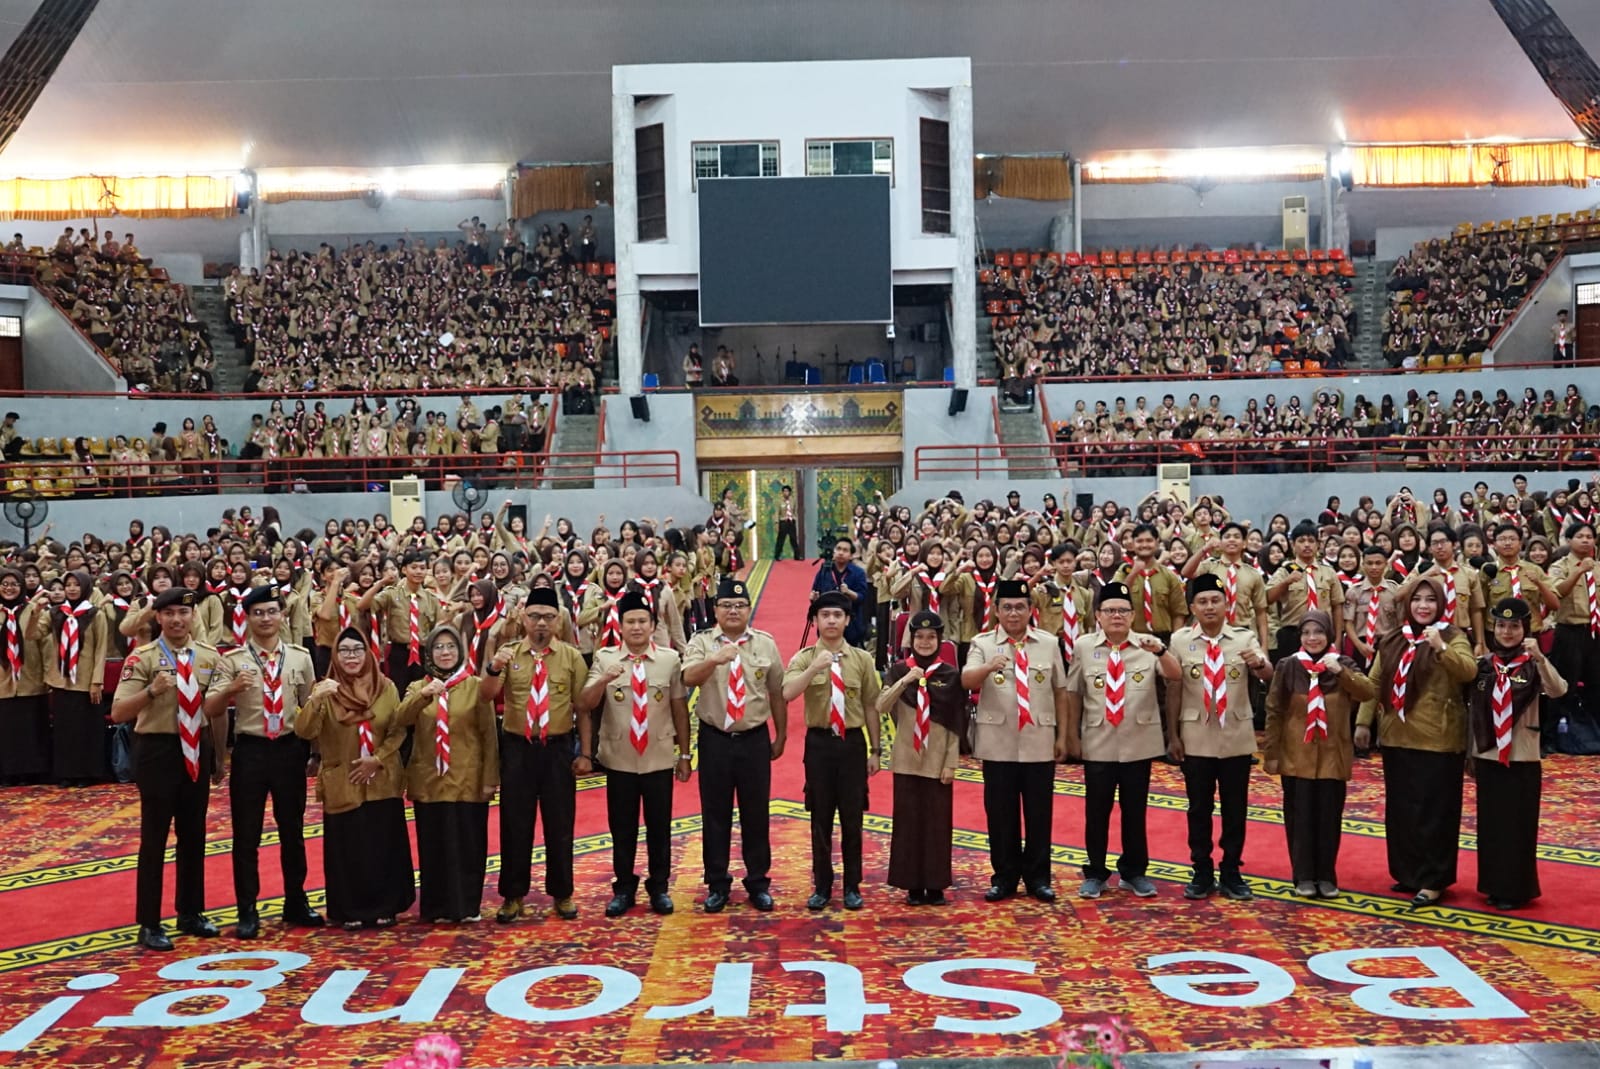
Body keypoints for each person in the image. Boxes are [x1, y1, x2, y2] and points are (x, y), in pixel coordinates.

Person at [110, 588, 228, 952]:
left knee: (194, 836)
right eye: (169, 613)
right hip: (158, 750)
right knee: (155, 839)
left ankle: (191, 912)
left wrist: (219, 758)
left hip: (197, 748)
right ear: (157, 618)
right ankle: (148, 922)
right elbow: (118, 713)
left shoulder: (209, 656)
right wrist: (150, 691)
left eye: (184, 612)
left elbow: (217, 712)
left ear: (193, 616)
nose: (177, 619)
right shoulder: (142, 658)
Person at [205, 584, 322, 938]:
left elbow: (312, 707)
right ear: (247, 617)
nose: (266, 618)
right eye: (258, 612)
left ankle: (295, 901)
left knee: (293, 831)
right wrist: (230, 689)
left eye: (272, 611)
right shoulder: (233, 660)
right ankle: (247, 910)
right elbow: (211, 708)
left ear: (282, 615)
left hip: (289, 749)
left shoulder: (301, 657)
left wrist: (315, 751)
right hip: (251, 752)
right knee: (246, 835)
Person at [1355, 576, 1477, 908]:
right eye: (1417, 600)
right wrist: (1364, 721)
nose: (1423, 606)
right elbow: (1375, 681)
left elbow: (1468, 672)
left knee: (1435, 813)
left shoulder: (1454, 637)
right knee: (1402, 810)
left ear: (1442, 604)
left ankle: (1433, 879)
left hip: (1438, 740)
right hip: (1397, 737)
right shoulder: (1393, 638)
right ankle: (1408, 872)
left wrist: (1440, 648)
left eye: (1430, 600)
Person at [293, 628, 414, 929]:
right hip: (343, 780)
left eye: (357, 650)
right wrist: (315, 700)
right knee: (348, 848)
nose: (351, 656)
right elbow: (305, 732)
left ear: (368, 653)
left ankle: (388, 906)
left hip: (381, 777)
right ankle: (350, 910)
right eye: (344, 650)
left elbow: (398, 728)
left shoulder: (385, 687)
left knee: (383, 844)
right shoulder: (325, 689)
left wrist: (378, 759)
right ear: (335, 654)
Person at [1065, 581, 1180, 898]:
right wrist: (1070, 735)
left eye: (1123, 610)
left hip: (1138, 741)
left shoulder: (1148, 645)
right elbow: (1073, 692)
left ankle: (1134, 871)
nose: (1116, 616)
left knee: (1135, 810)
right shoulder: (1084, 646)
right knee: (1096, 811)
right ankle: (1096, 873)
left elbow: (1174, 675)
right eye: (1110, 610)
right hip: (1098, 740)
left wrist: (1162, 650)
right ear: (1098, 615)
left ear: (1132, 615)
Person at [579, 592, 691, 917]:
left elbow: (679, 709)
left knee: (660, 826)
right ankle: (624, 886)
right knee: (622, 827)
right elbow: (585, 705)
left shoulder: (670, 659)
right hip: (619, 758)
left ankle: (659, 887)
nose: (637, 627)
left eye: (643, 621)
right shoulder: (604, 658)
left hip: (657, 755)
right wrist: (603, 679)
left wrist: (684, 754)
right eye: (631, 621)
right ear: (621, 625)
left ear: (653, 624)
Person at [482, 588, 590, 922]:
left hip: (558, 749)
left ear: (558, 620)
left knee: (560, 824)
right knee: (515, 824)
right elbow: (486, 695)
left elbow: (583, 708)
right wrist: (493, 667)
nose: (541, 623)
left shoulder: (571, 656)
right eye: (534, 616)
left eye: (547, 616)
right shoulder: (509, 653)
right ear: (523, 618)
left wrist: (585, 753)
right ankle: (513, 895)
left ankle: (563, 892)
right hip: (517, 749)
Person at [1166, 573, 1273, 901]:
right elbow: (1173, 691)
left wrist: (1259, 665)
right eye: (1203, 601)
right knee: (1198, 807)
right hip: (1196, 735)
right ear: (1192, 608)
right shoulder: (1180, 641)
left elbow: (1268, 673)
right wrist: (1172, 735)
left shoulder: (1243, 638)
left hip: (1235, 736)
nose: (1210, 606)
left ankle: (1231, 870)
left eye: (1216, 600)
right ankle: (1201, 869)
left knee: (1235, 807)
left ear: (1227, 604)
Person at [681, 577, 786, 913]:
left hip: (754, 737)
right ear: (716, 609)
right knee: (715, 813)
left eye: (740, 605)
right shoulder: (701, 642)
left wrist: (780, 734)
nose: (733, 611)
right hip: (715, 739)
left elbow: (777, 692)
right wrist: (715, 659)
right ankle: (717, 883)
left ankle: (758, 882)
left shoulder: (765, 644)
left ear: (748, 609)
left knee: (756, 813)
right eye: (726, 605)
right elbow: (687, 678)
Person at [961, 579, 1068, 902]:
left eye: (1020, 607)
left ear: (1030, 610)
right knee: (1001, 814)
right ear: (995, 611)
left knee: (1039, 814)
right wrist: (987, 667)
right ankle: (1004, 877)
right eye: (1006, 607)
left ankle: (1038, 878)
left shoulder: (1048, 643)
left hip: (1038, 739)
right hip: (998, 741)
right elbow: (965, 679)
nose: (1013, 613)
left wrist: (1063, 735)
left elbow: (1060, 690)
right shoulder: (982, 643)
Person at [1263, 610, 1376, 898]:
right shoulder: (1288, 666)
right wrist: (1271, 754)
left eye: (1319, 633)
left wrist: (1341, 672)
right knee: (1299, 819)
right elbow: (1274, 710)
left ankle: (1326, 876)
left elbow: (1367, 692)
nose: (1313, 638)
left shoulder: (1343, 664)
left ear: (1329, 635)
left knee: (1328, 819)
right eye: (1306, 633)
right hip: (1295, 756)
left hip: (1332, 757)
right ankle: (1302, 875)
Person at [783, 591, 881, 911]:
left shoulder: (863, 659)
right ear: (815, 621)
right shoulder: (805, 657)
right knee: (820, 816)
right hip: (820, 744)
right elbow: (787, 693)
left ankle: (853, 885)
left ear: (848, 620)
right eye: (825, 615)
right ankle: (822, 885)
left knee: (853, 817)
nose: (831, 621)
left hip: (852, 743)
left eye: (837, 615)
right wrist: (814, 669)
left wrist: (876, 750)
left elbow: (871, 705)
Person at [1469, 598, 1567, 910]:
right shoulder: (1484, 664)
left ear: (1525, 629)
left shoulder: (1531, 663)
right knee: (1491, 824)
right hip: (1488, 754)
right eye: (1501, 625)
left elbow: (1558, 690)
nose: (1507, 632)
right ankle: (1492, 885)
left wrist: (1540, 658)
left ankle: (1517, 888)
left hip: (1522, 754)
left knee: (1518, 824)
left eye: (1514, 626)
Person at [396, 625, 498, 923]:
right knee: (433, 844)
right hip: (429, 779)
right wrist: (423, 696)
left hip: (467, 777)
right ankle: (436, 906)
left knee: (467, 843)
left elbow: (489, 735)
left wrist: (490, 778)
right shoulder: (418, 687)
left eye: (450, 647)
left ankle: (466, 905)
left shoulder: (475, 685)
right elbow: (401, 720)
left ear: (461, 651)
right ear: (429, 653)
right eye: (438, 647)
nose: (445, 652)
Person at [878, 610, 963, 905]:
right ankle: (912, 884)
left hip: (938, 760)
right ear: (911, 639)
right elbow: (880, 705)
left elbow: (955, 723)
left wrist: (951, 763)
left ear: (939, 640)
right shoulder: (900, 669)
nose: (925, 642)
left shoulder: (950, 675)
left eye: (931, 637)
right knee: (908, 823)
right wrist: (905, 681)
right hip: (906, 759)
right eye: (919, 637)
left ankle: (936, 884)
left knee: (937, 825)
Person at [41, 570, 109, 785]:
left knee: (85, 730)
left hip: (86, 681)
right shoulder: (55, 613)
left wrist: (96, 681)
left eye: (75, 584)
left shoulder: (95, 614)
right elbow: (33, 634)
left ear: (85, 587)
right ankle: (66, 773)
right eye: (67, 584)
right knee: (64, 731)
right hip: (61, 680)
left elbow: (101, 649)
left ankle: (86, 773)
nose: (71, 588)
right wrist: (35, 611)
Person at [1546, 521, 1599, 753]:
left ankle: (1594, 734)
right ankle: (1552, 736)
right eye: (1580, 536)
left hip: (1595, 632)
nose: (1586, 540)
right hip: (1570, 632)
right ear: (1569, 540)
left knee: (1597, 686)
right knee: (1563, 686)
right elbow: (1557, 593)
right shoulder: (1559, 567)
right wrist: (1579, 570)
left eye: (1590, 536)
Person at [361, 551, 444, 689]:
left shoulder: (432, 599)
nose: (418, 571)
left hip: (424, 654)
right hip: (399, 653)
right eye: (414, 567)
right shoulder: (392, 594)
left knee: (422, 694)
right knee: (398, 692)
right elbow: (363, 605)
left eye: (422, 568)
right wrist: (380, 582)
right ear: (404, 570)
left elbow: (437, 628)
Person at [0, 568, 50, 785]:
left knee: (30, 729)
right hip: (3, 682)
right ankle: (8, 772)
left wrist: (47, 676)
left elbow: (46, 645)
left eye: (14, 584)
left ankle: (31, 772)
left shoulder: (34, 609)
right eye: (5, 583)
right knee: (7, 731)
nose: (9, 588)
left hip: (31, 679)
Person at [810, 537, 870, 647]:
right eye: (838, 549)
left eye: (845, 550)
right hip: (827, 621)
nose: (841, 553)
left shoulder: (858, 573)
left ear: (851, 555)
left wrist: (848, 592)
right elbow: (815, 591)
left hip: (851, 623)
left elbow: (862, 597)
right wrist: (813, 598)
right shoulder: (825, 569)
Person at [774, 484, 801, 561]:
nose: (785, 493)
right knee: (781, 539)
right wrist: (776, 523)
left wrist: (794, 518)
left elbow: (795, 510)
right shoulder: (779, 501)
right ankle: (777, 555)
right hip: (783, 522)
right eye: (784, 491)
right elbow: (776, 513)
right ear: (782, 492)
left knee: (793, 539)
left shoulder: (793, 500)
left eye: (787, 491)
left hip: (791, 522)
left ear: (790, 492)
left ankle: (797, 556)